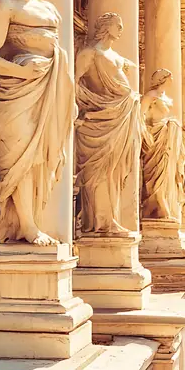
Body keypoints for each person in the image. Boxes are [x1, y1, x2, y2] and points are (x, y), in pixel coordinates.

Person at [0, 0, 74, 244]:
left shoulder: (48, 9)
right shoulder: (4, 5)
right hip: (14, 93)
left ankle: (31, 221)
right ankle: (26, 225)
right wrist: (21, 71)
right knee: (19, 155)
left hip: (46, 88)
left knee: (38, 158)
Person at [75, 12, 141, 235]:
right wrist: (83, 108)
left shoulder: (118, 57)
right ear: (105, 27)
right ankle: (101, 222)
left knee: (114, 172)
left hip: (119, 118)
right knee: (98, 173)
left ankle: (110, 219)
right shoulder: (90, 53)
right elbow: (73, 82)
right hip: (99, 120)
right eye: (118, 25)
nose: (121, 29)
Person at [141, 68, 185, 221]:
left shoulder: (168, 98)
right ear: (164, 78)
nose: (172, 79)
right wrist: (145, 133)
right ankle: (159, 205)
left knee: (167, 173)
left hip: (168, 137)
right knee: (155, 171)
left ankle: (162, 204)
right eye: (170, 76)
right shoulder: (151, 96)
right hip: (155, 135)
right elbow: (140, 116)